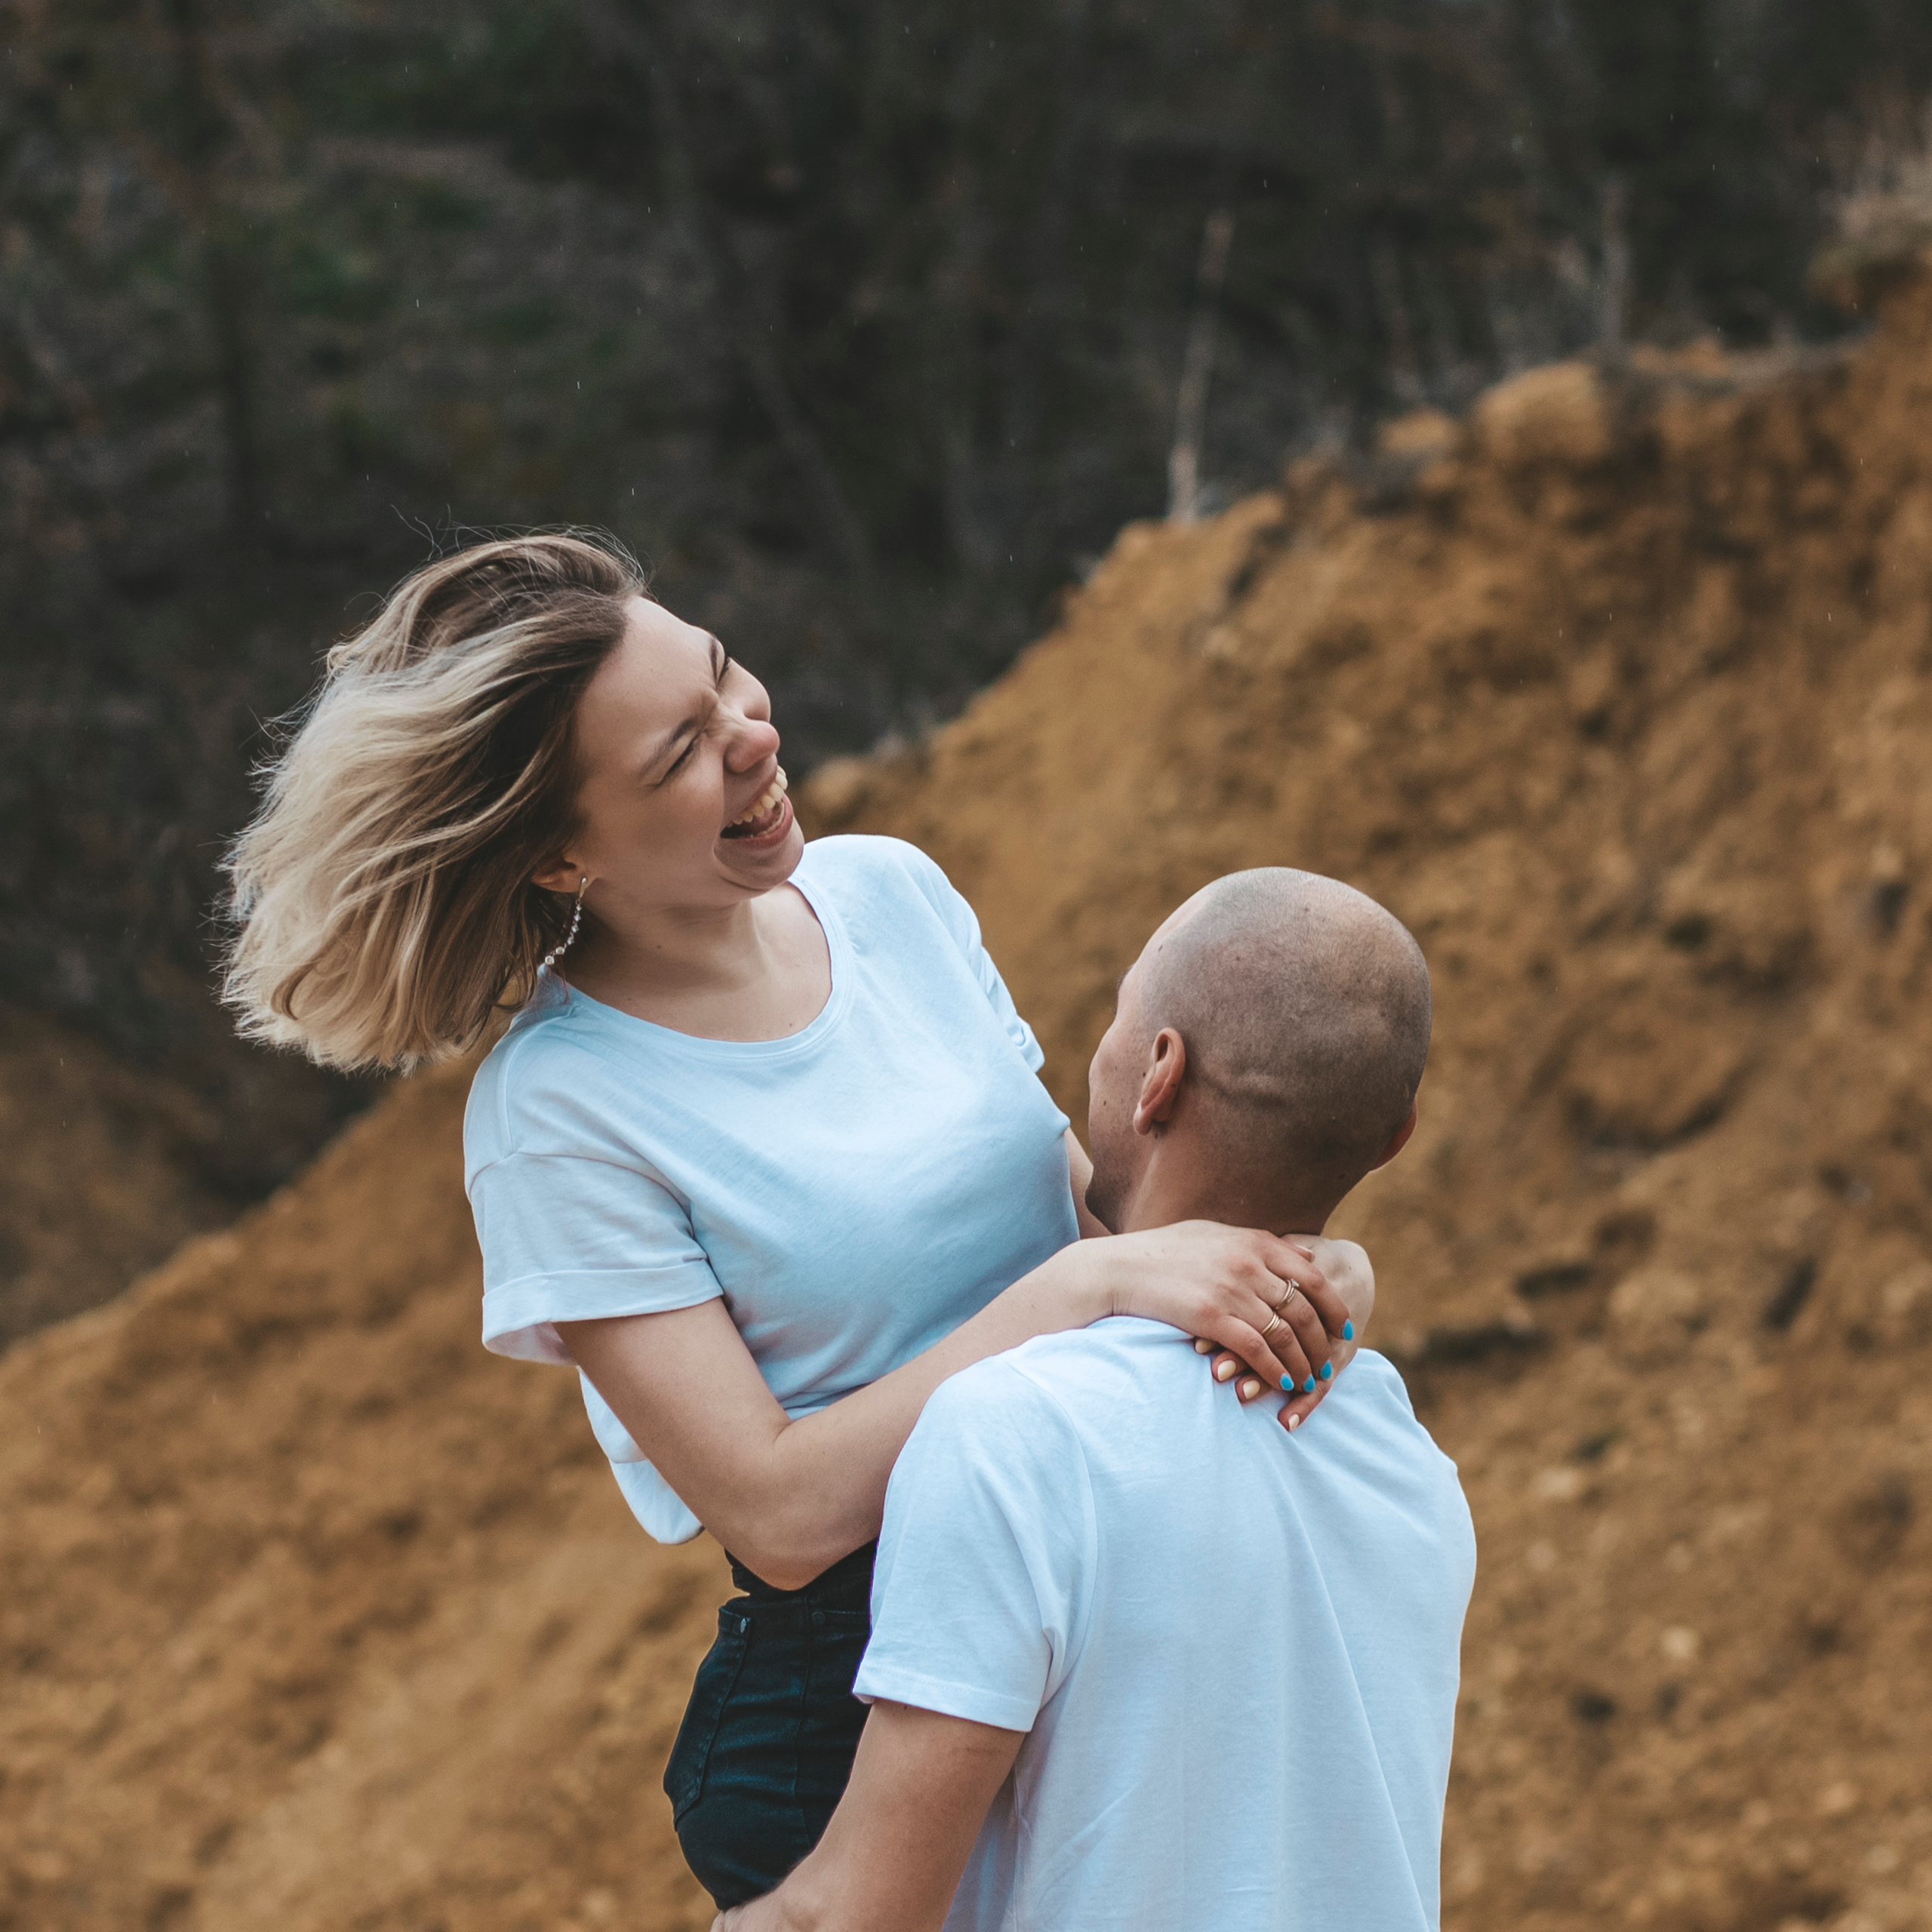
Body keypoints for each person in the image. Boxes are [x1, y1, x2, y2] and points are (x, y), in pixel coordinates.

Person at [217, 531, 1376, 1909]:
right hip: (854, 1695)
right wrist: (1090, 1295)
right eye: (678, 757)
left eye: (723, 680)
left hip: (1094, 1583)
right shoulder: (558, 1112)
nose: (752, 739)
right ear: (560, 852)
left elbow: (1089, 1215)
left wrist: (1304, 1259)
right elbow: (776, 1509)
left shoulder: (891, 893)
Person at [717, 869, 1475, 1932]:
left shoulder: (1012, 1436)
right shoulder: (1406, 1455)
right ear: (1395, 1139)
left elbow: (854, 1916)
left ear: (1158, 1072)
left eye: (1118, 1018)